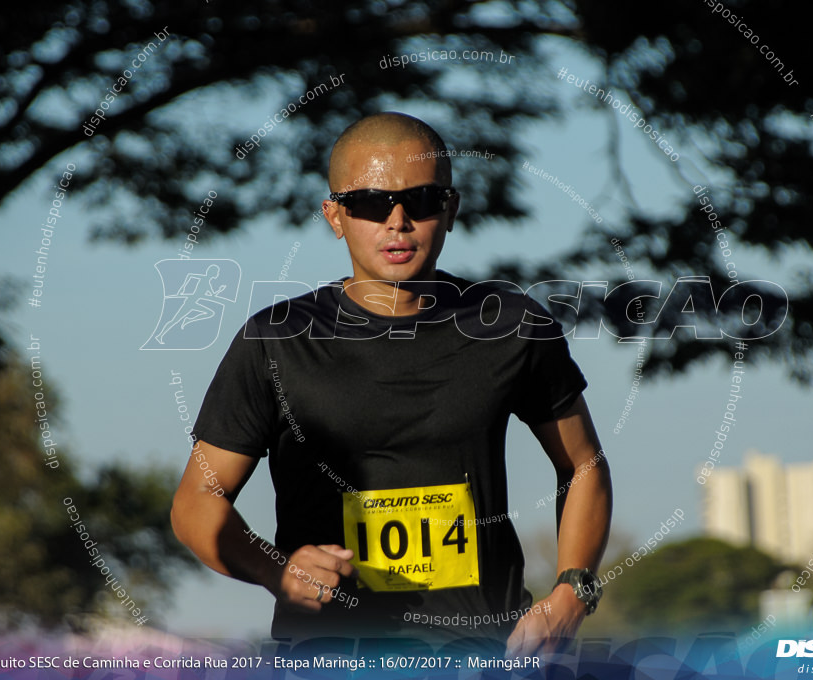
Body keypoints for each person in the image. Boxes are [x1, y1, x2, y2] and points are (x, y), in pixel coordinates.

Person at [170, 112, 613, 656]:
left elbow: (584, 464)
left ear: (449, 210)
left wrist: (572, 589)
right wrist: (276, 571)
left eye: (421, 201)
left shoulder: (512, 326)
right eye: (371, 204)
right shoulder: (278, 341)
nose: (397, 221)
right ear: (335, 215)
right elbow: (195, 502)